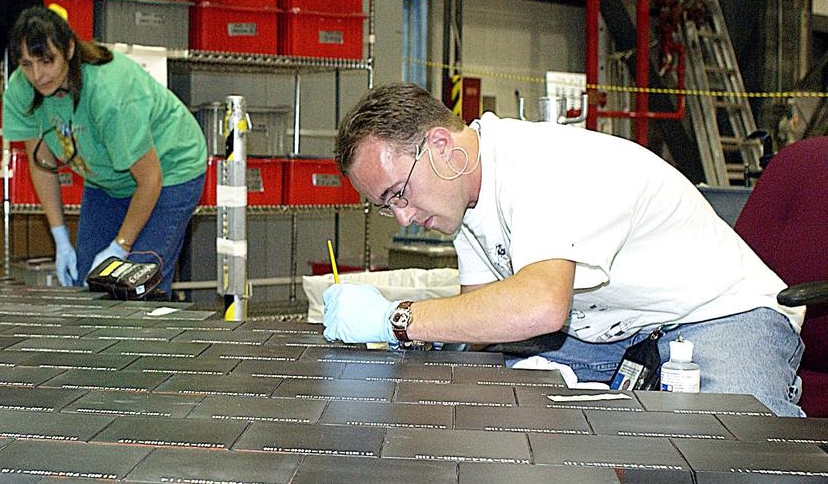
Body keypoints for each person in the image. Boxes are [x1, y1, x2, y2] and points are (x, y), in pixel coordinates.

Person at [322, 82, 806, 417]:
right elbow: (483, 317)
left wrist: (398, 320)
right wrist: (414, 358)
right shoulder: (463, 198)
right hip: (618, 329)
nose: (404, 216)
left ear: (442, 146)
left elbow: (540, 306)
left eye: (398, 193)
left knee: (732, 453)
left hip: (723, 313)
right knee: (496, 412)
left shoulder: (539, 164)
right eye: (388, 206)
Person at [0, 6, 207, 296]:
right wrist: (59, 237)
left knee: (137, 284)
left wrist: (120, 246)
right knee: (89, 283)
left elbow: (150, 179)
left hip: (170, 170)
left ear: (69, 49)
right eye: (26, 64)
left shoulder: (110, 94)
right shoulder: (22, 90)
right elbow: (42, 163)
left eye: (47, 61)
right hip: (107, 180)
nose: (38, 74)